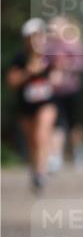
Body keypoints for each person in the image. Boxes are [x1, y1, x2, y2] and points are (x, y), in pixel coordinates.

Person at [6, 18, 58, 193]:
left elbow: (59, 74)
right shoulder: (20, 58)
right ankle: (35, 170)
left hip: (46, 103)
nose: (37, 40)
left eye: (39, 36)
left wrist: (56, 78)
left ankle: (41, 174)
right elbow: (11, 82)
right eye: (33, 37)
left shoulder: (49, 57)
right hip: (26, 106)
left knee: (41, 135)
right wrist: (29, 72)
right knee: (32, 142)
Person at [46, 15, 83, 172]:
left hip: (72, 90)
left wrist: (67, 66)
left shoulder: (74, 44)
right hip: (54, 91)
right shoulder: (48, 47)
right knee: (56, 124)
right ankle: (56, 156)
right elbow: (43, 65)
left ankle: (79, 152)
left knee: (74, 124)